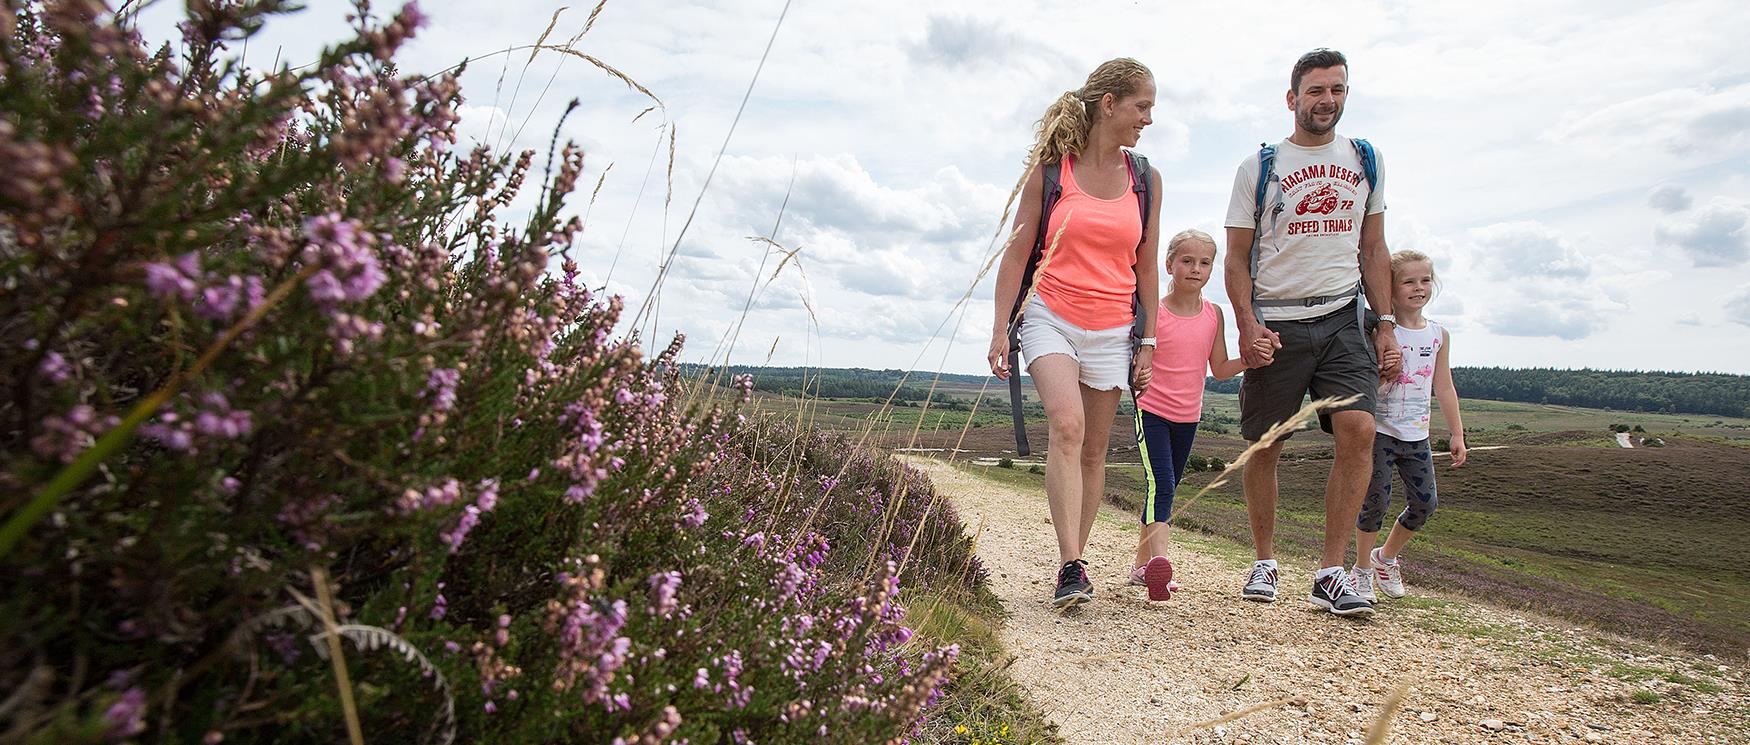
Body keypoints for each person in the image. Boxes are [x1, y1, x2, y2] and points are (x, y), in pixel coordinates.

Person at [1222, 48, 1403, 617]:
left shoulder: (1365, 159)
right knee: (1267, 442)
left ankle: (1330, 571)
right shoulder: (1261, 167)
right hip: (1277, 320)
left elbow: (1373, 248)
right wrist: (1247, 323)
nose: (1328, 101)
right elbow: (1235, 257)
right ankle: (1265, 560)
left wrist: (1385, 324)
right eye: (1317, 90)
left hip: (1342, 318)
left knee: (1360, 429)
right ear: (1292, 97)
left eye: (1338, 90)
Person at [988, 58, 1163, 608]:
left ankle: (1076, 565)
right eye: (1142, 106)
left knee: (1092, 451)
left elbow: (1149, 265)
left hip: (1114, 328)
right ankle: (1069, 562)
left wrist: (1149, 340)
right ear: (1109, 104)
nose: (1148, 119)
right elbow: (1017, 252)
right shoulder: (1051, 171)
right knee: (1067, 426)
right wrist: (1000, 328)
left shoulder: (1145, 179)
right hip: (1050, 316)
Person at [1126, 229, 1274, 601]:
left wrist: (1251, 359)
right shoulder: (1154, 312)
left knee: (1164, 487)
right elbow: (1135, 359)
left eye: (1204, 262)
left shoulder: (1213, 315)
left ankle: (1141, 567)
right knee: (1162, 483)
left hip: (1189, 417)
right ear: (1169, 264)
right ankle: (1160, 563)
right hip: (1152, 412)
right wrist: (1137, 373)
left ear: (1212, 270)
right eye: (1187, 261)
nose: (1195, 268)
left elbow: (1220, 368)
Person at [1351, 250, 1466, 601]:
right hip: (1382, 431)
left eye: (1425, 280)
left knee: (1425, 504)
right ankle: (1361, 572)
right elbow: (1368, 381)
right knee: (1375, 502)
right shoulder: (1379, 332)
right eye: (1409, 281)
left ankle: (1385, 558)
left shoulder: (1438, 335)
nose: (1419, 288)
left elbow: (1443, 385)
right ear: (1391, 287)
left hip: (1418, 436)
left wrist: (1457, 433)